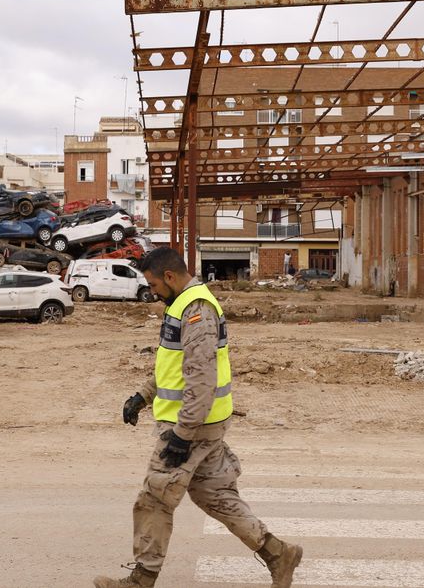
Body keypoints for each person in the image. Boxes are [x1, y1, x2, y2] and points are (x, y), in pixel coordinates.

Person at [94, 247, 302, 588]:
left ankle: (141, 580)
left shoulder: (196, 310)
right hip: (202, 423)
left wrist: (182, 434)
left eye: (154, 285)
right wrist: (143, 395)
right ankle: (278, 553)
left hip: (191, 426)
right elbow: (174, 365)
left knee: (155, 498)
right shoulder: (180, 306)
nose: (152, 292)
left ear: (170, 277)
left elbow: (201, 377)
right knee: (215, 496)